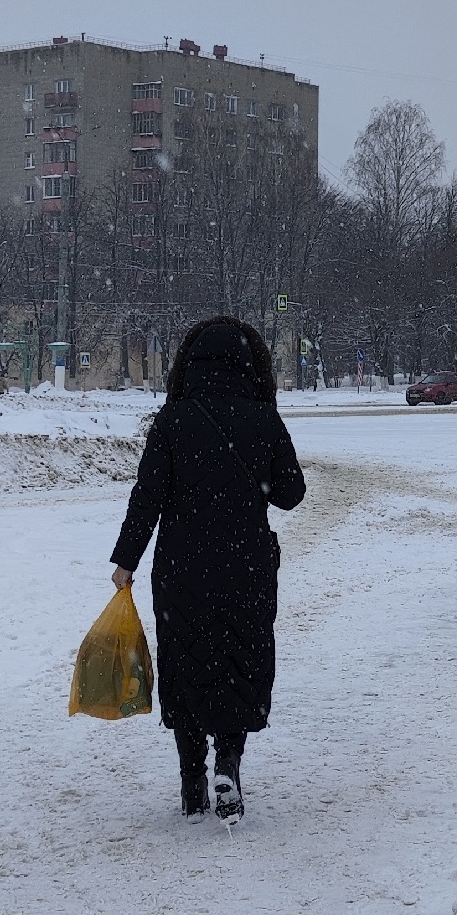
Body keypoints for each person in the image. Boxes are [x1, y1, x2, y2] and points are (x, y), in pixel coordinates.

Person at [110, 316, 307, 824]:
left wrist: (126, 560)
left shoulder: (172, 419)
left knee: (187, 661)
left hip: (183, 567)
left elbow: (146, 496)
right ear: (250, 365)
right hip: (245, 566)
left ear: (188, 365)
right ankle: (229, 761)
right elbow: (292, 494)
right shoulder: (263, 418)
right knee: (241, 659)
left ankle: (191, 777)